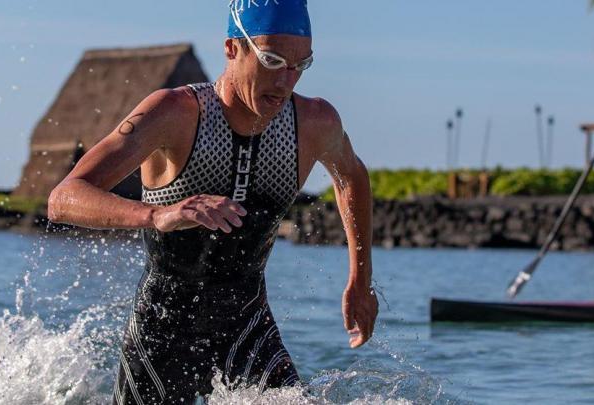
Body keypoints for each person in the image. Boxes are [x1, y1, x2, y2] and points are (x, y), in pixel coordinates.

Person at [47, 1, 378, 403]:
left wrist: (360, 279)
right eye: (272, 60)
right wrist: (156, 215)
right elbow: (63, 198)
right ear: (231, 49)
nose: (286, 80)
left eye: (300, 65)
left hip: (246, 323)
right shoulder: (174, 113)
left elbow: (352, 179)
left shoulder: (314, 123)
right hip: (163, 329)